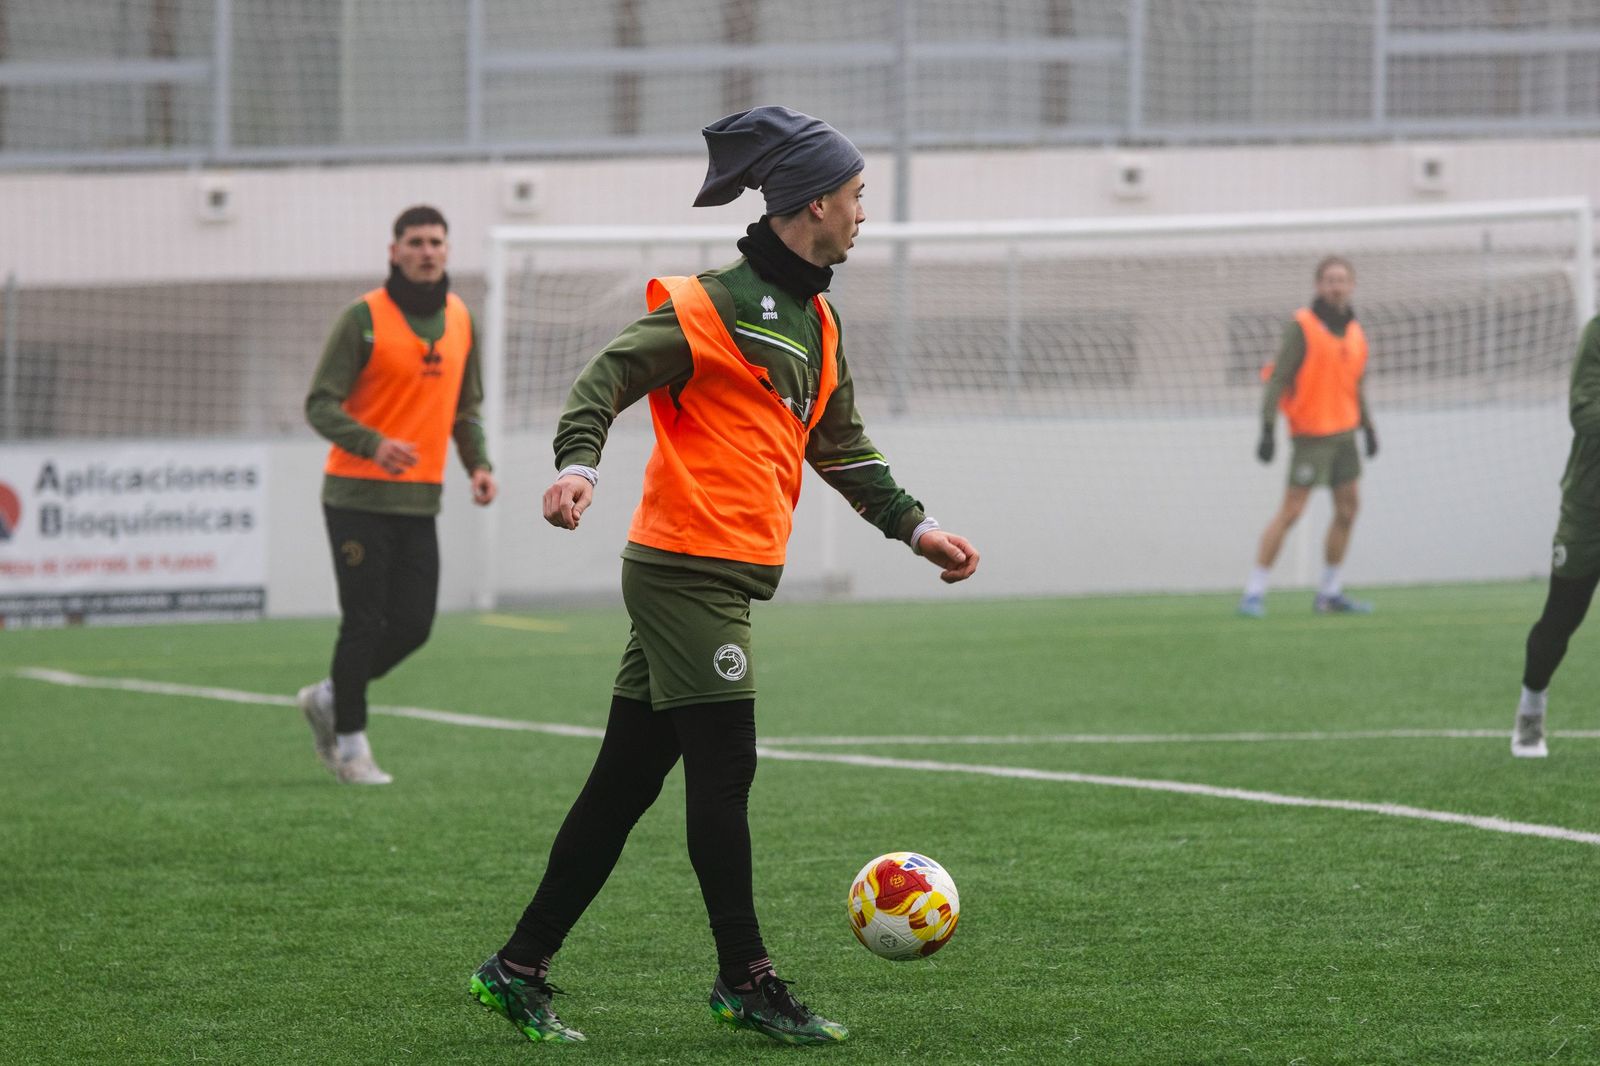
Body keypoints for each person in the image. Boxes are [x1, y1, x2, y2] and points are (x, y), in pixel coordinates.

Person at [468, 106, 979, 1047]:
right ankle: (746, 980)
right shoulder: (711, 305)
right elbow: (605, 378)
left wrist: (920, 528)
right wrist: (578, 465)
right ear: (815, 203)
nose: (864, 212)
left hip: (719, 577)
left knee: (623, 784)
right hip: (685, 572)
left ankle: (517, 966)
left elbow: (843, 447)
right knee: (725, 771)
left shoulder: (820, 322)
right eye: (857, 194)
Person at [296, 204, 497, 785]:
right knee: (363, 621)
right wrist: (373, 444)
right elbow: (319, 404)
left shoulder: (462, 318)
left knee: (413, 625)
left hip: (420, 500)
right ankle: (350, 747)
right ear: (394, 251)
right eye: (415, 242)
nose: (426, 251)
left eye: (436, 241)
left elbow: (466, 408)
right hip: (355, 497)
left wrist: (479, 465)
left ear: (447, 250)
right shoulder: (361, 319)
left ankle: (329, 696)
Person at [1238, 255, 1377, 617]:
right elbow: (1278, 378)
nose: (1336, 286)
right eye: (1329, 280)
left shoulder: (1356, 333)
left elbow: (1356, 385)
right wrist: (1267, 428)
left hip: (1345, 435)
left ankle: (1329, 592)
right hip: (1311, 435)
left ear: (1352, 285)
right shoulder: (1303, 326)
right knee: (1292, 511)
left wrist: (1368, 428)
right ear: (1318, 285)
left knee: (1348, 510)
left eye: (1342, 279)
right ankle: (1253, 592)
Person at [1512, 315, 1600, 758]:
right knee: (1562, 617)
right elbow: (1583, 413)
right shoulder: (1598, 332)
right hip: (1590, 506)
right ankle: (1531, 710)